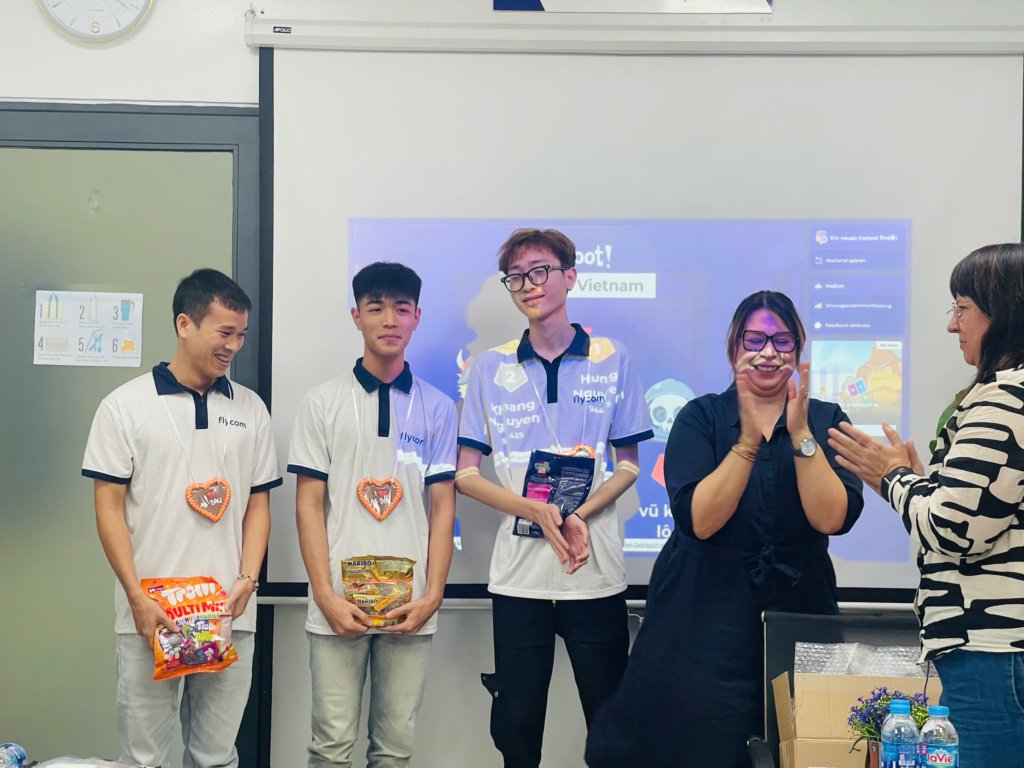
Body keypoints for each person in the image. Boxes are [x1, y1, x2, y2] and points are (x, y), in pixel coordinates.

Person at [586, 290, 864, 768]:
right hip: (704, 619)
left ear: (798, 348)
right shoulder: (701, 416)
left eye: (782, 340)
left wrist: (800, 435)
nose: (768, 352)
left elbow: (831, 518)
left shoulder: (825, 419)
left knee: (804, 744)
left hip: (801, 611)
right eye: (754, 340)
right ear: (734, 347)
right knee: (700, 747)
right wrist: (748, 441)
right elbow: (700, 520)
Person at [455, 228, 653, 768]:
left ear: (570, 276)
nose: (529, 285)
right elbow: (466, 475)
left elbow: (629, 465)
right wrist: (536, 511)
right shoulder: (490, 367)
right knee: (517, 729)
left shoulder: (613, 358)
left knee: (610, 726)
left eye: (540, 271)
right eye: (516, 277)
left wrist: (577, 514)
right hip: (518, 577)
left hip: (594, 571)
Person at [828, 243, 1024, 767]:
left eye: (963, 308)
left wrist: (892, 477)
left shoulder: (1004, 398)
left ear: (1003, 312)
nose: (952, 325)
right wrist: (916, 483)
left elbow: (953, 530)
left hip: (992, 648)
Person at [82, 268, 281, 768]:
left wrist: (247, 580)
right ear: (185, 324)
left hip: (228, 613)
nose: (234, 346)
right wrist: (136, 595)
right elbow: (108, 507)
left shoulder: (251, 410)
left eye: (241, 335)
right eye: (224, 332)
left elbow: (258, 504)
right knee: (143, 756)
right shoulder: (124, 407)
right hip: (149, 615)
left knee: (216, 756)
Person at [289, 262, 457, 768]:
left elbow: (443, 505)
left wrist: (433, 595)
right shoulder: (322, 403)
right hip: (337, 606)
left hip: (411, 609)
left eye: (401, 309)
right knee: (330, 747)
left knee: (394, 750)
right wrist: (325, 595)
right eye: (376, 308)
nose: (389, 320)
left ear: (417, 317)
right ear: (356, 316)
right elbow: (308, 504)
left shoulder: (438, 407)